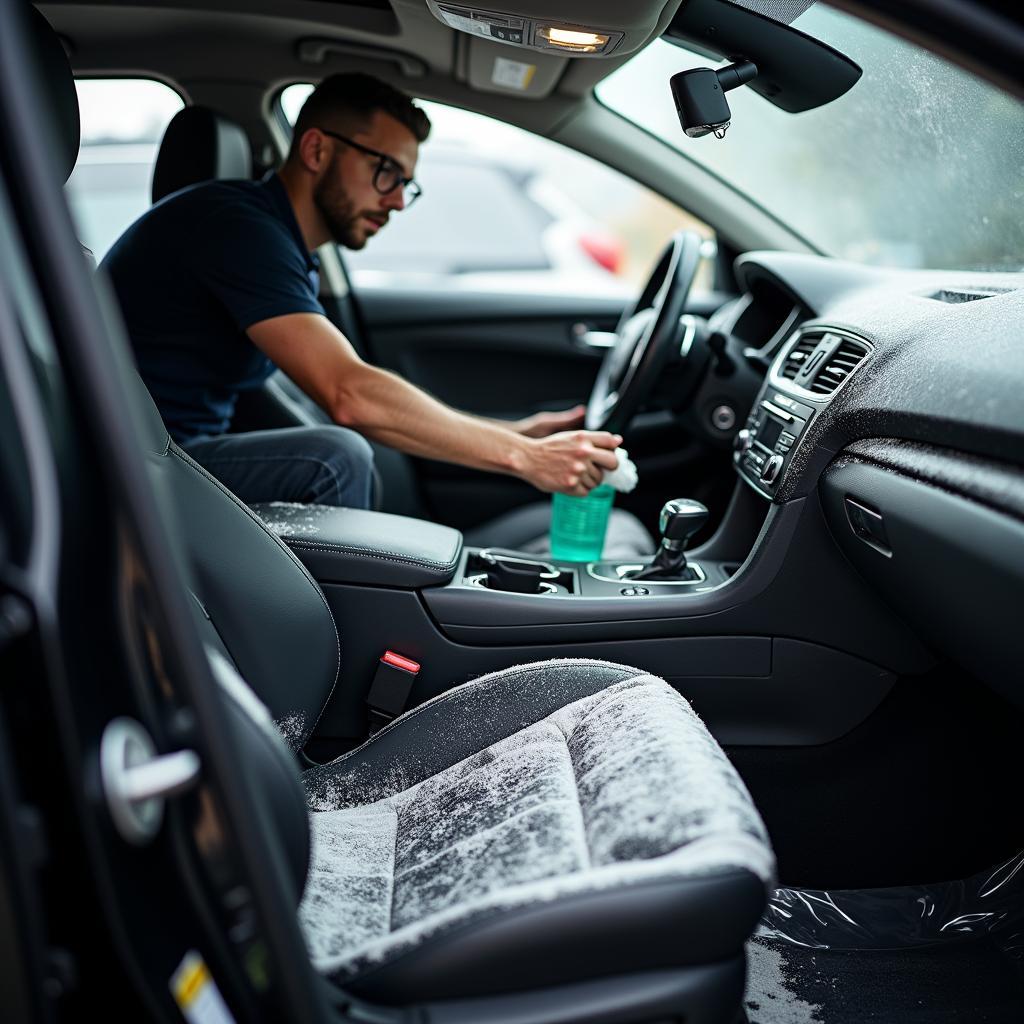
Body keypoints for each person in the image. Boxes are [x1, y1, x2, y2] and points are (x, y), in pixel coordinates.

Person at [101, 72, 622, 511]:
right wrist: (523, 458)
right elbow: (350, 394)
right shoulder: (237, 230)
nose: (396, 202)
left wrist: (518, 432)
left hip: (167, 454)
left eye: (405, 184)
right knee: (336, 457)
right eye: (385, 172)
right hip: (133, 468)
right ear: (316, 149)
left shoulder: (273, 240)